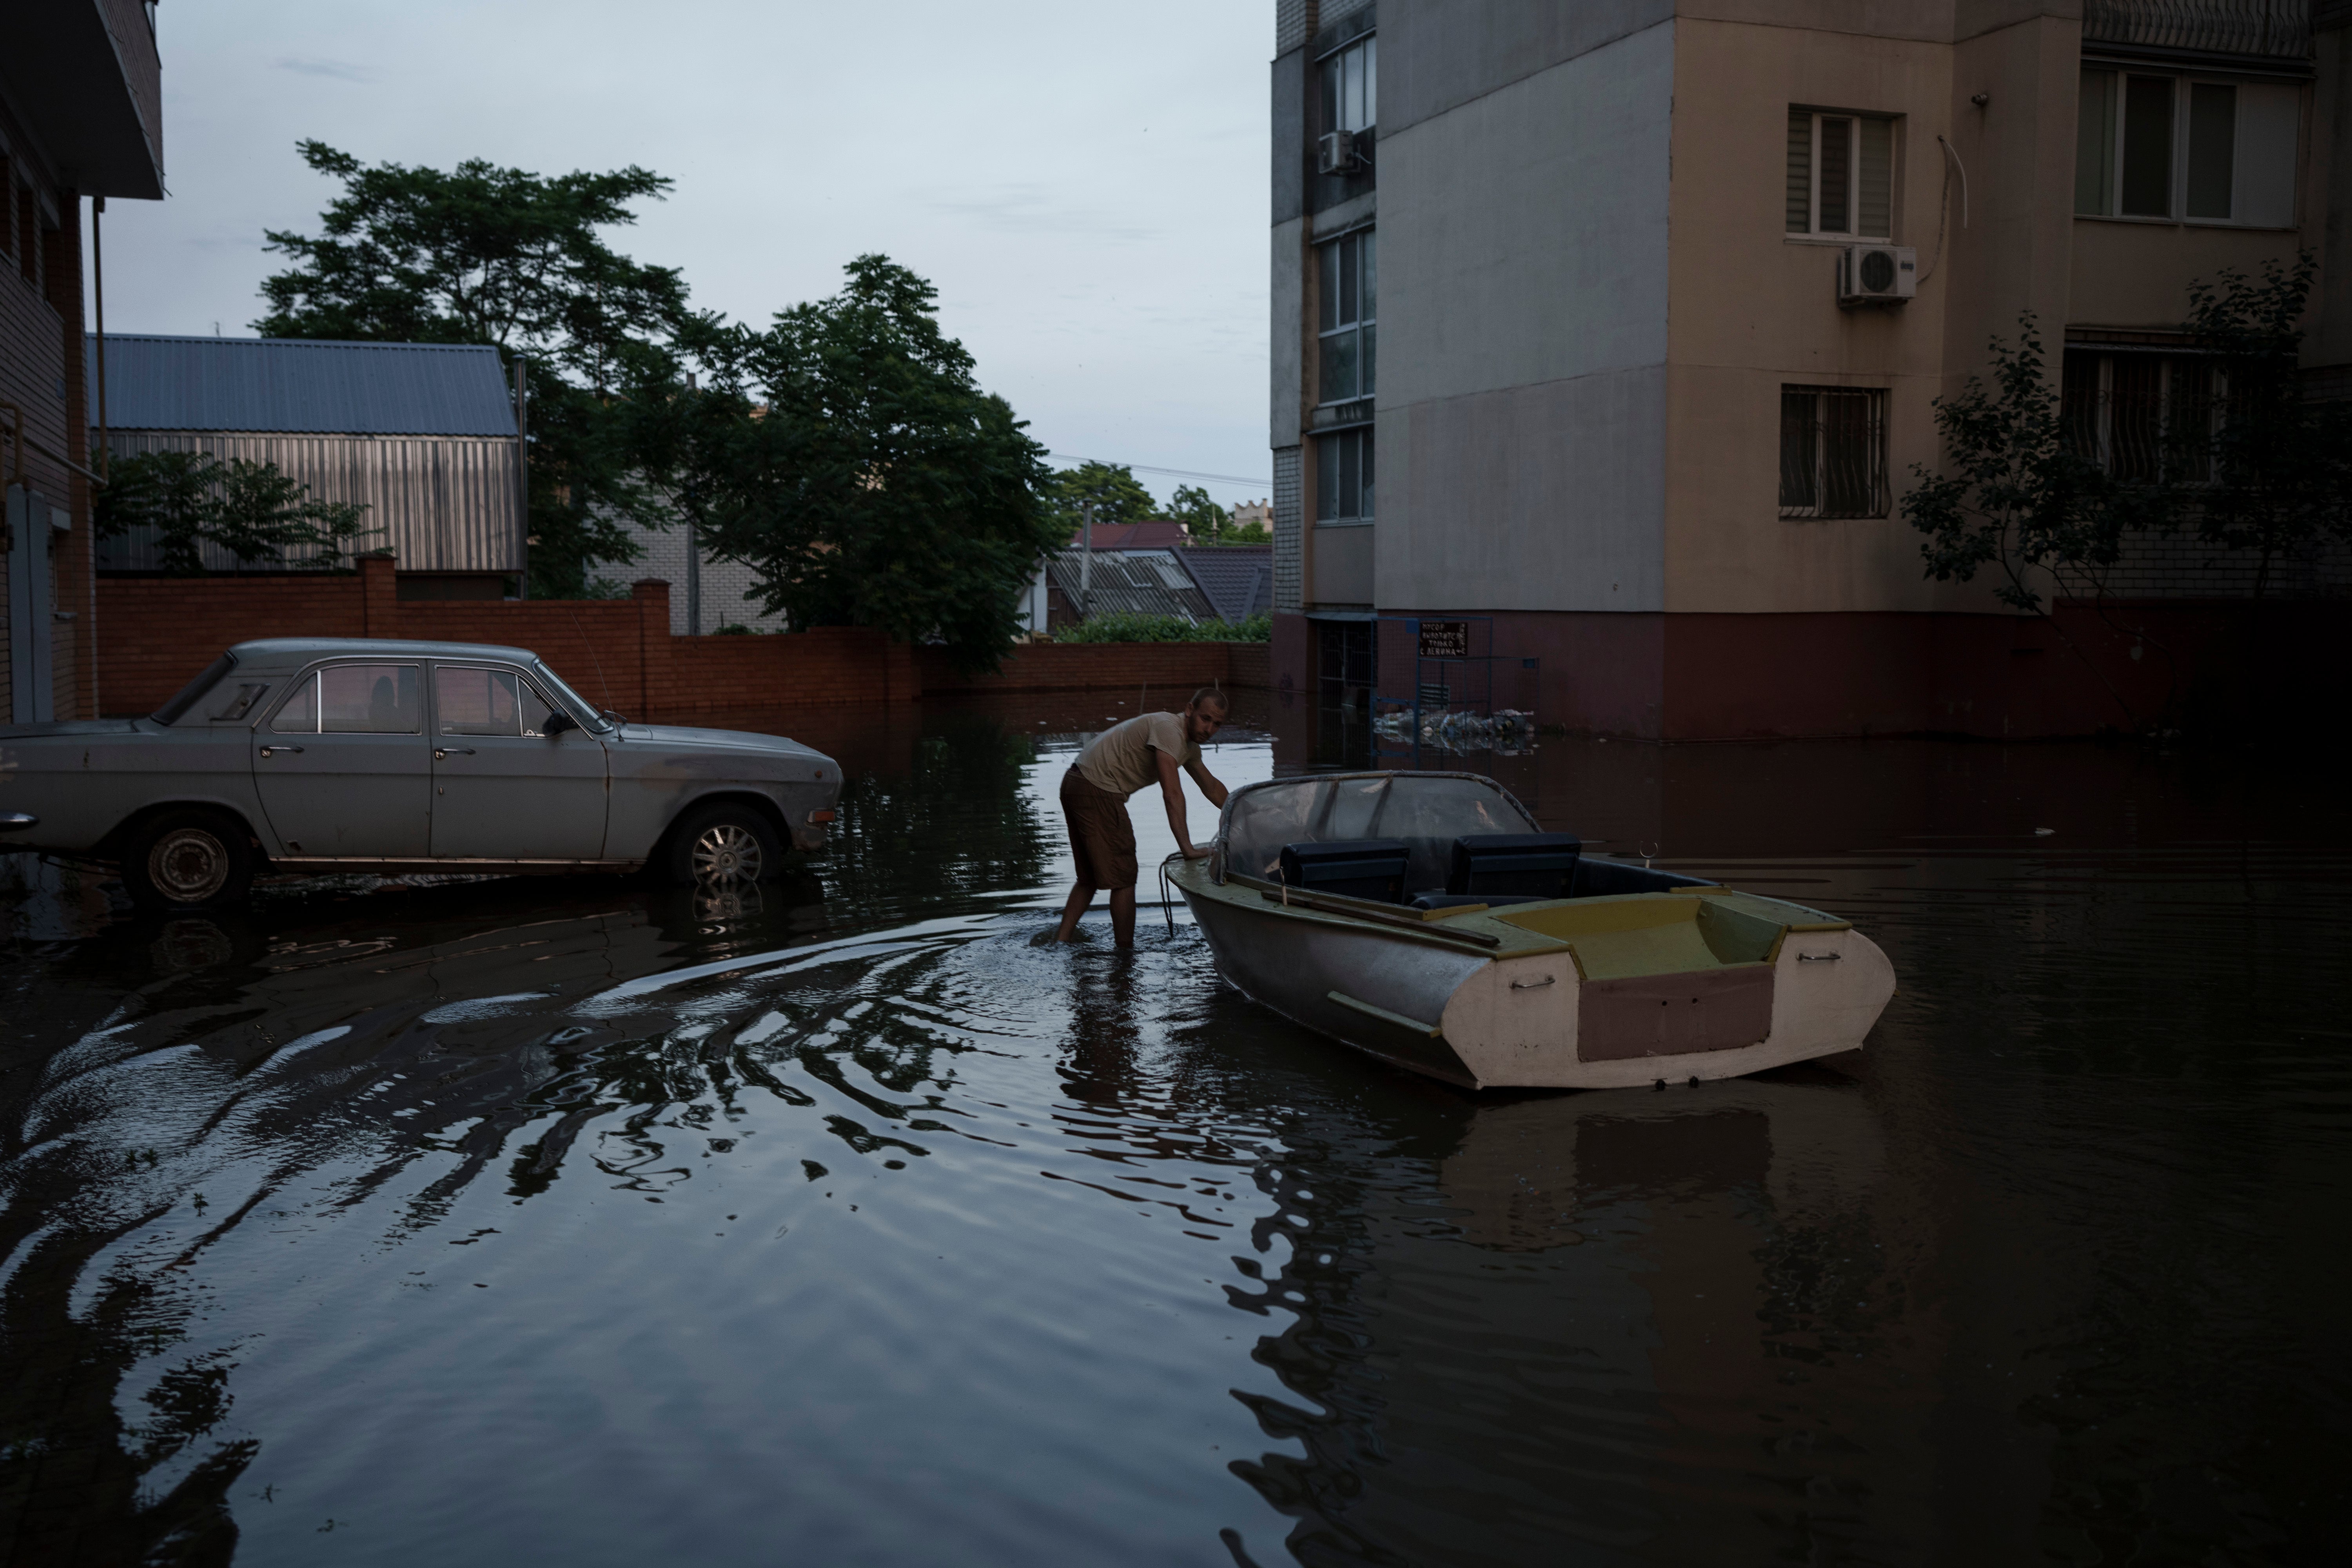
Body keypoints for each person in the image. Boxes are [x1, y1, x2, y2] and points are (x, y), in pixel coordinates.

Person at [1053, 687, 1230, 947]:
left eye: (1217, 724)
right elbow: (1172, 793)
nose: (1209, 729)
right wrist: (1188, 849)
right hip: (1097, 788)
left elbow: (1211, 787)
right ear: (1190, 710)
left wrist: (1240, 815)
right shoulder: (1169, 729)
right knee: (1124, 878)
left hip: (1077, 781)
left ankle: (1060, 943)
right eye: (1206, 719)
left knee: (1089, 878)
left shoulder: (1188, 747)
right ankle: (1125, 956)